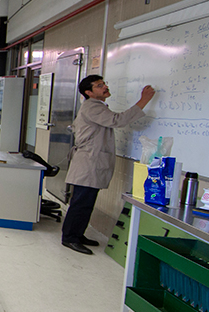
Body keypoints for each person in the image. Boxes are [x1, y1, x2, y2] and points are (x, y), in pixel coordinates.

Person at [62, 75, 156, 255]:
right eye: (99, 85)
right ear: (89, 92)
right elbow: (117, 120)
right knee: (81, 202)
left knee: (86, 202)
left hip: (91, 162)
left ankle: (77, 234)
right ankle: (70, 237)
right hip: (88, 163)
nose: (105, 87)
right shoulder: (92, 106)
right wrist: (143, 101)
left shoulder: (97, 106)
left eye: (104, 84)